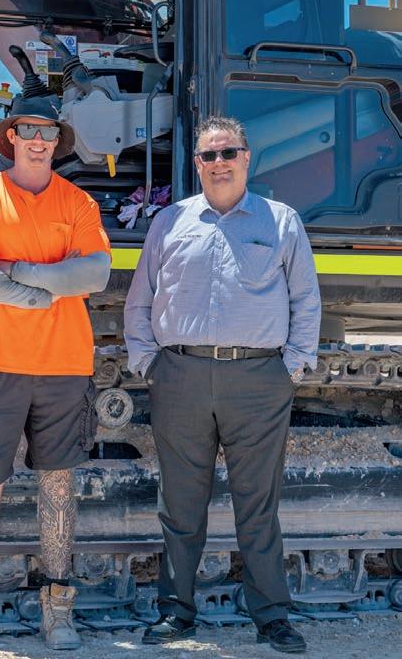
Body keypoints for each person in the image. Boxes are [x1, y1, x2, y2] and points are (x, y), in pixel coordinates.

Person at [124, 115, 321, 654]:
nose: (219, 163)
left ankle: (272, 617)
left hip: (259, 381)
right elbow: (141, 299)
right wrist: (149, 363)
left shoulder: (281, 221)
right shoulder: (170, 222)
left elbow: (305, 299)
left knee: (258, 505)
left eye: (228, 152)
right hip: (180, 377)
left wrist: (291, 367)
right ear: (197, 164)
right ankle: (176, 613)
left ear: (246, 158)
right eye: (208, 155)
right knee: (180, 504)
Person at [0, 93, 111, 653]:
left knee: (58, 486)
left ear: (57, 141)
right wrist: (43, 289)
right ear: (12, 136)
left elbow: (94, 274)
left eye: (49, 132)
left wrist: (14, 271)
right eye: (29, 130)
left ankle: (58, 610)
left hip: (64, 365)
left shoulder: (78, 203)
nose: (39, 141)